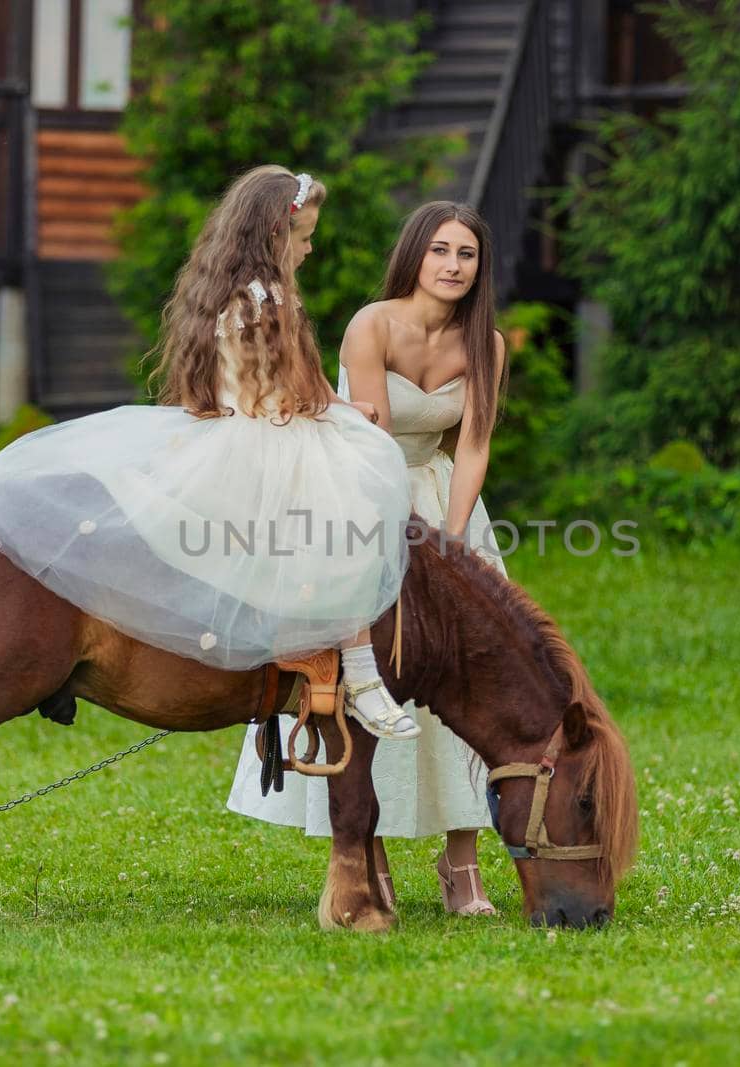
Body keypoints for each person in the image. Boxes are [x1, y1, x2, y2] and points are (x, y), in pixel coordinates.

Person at [0, 165, 419, 738]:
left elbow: (264, 382)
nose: (309, 249)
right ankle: (358, 669)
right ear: (274, 237)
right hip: (267, 436)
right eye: (304, 236)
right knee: (347, 514)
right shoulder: (268, 298)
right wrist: (339, 413)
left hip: (235, 427)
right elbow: (283, 391)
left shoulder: (229, 294)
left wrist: (335, 405)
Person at [227, 201, 509, 916]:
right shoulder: (371, 324)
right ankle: (369, 853)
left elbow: (471, 444)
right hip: (365, 492)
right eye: (440, 249)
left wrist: (450, 541)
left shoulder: (488, 344)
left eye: (466, 254)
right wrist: (404, 537)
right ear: (416, 253)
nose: (452, 265)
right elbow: (374, 435)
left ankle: (463, 860)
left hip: (445, 502)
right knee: (372, 671)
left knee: (467, 676)